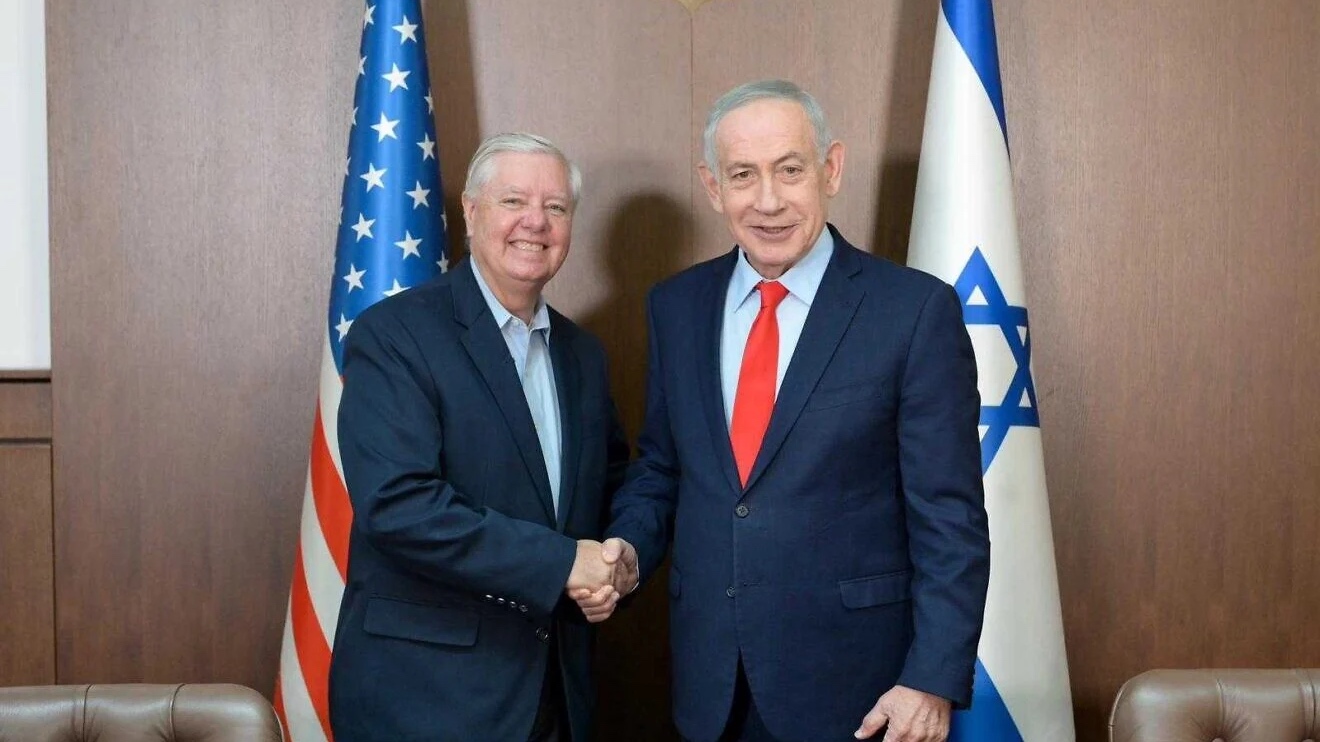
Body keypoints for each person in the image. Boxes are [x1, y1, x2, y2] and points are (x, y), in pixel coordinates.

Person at [576, 80, 990, 742]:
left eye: (789, 170)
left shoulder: (912, 312)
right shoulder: (676, 307)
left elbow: (950, 517)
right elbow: (661, 467)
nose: (767, 201)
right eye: (744, 175)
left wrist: (931, 680)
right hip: (710, 689)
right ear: (714, 188)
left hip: (862, 695)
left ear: (829, 170)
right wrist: (627, 546)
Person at [329, 132, 633, 742]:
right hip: (427, 701)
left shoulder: (582, 354)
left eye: (556, 208)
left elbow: (613, 482)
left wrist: (620, 558)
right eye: (513, 201)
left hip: (555, 694)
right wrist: (562, 563)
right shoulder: (395, 335)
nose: (535, 223)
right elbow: (399, 505)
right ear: (470, 212)